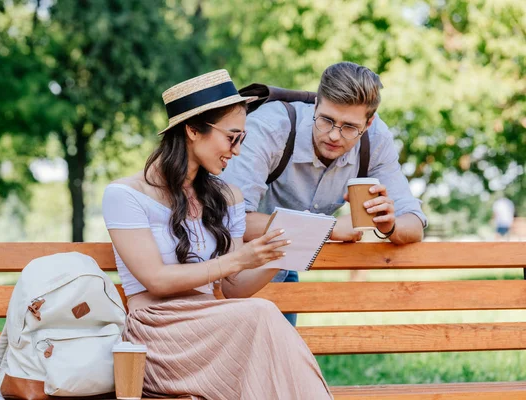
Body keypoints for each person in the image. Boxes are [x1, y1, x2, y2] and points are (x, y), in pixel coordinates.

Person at [102, 70, 333, 400]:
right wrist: (238, 258)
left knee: (261, 323)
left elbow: (233, 288)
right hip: (157, 335)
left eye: (242, 140)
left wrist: (278, 255)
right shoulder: (125, 195)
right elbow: (157, 280)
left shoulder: (227, 198)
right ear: (193, 129)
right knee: (263, 317)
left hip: (217, 328)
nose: (236, 151)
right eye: (232, 137)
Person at [221, 62, 428, 325]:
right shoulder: (270, 127)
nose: (334, 135)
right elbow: (232, 220)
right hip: (227, 269)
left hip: (283, 264)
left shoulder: (376, 139)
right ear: (316, 104)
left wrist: (390, 225)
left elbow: (414, 223)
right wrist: (327, 228)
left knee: (282, 363)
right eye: (327, 120)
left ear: (369, 121)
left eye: (350, 127)